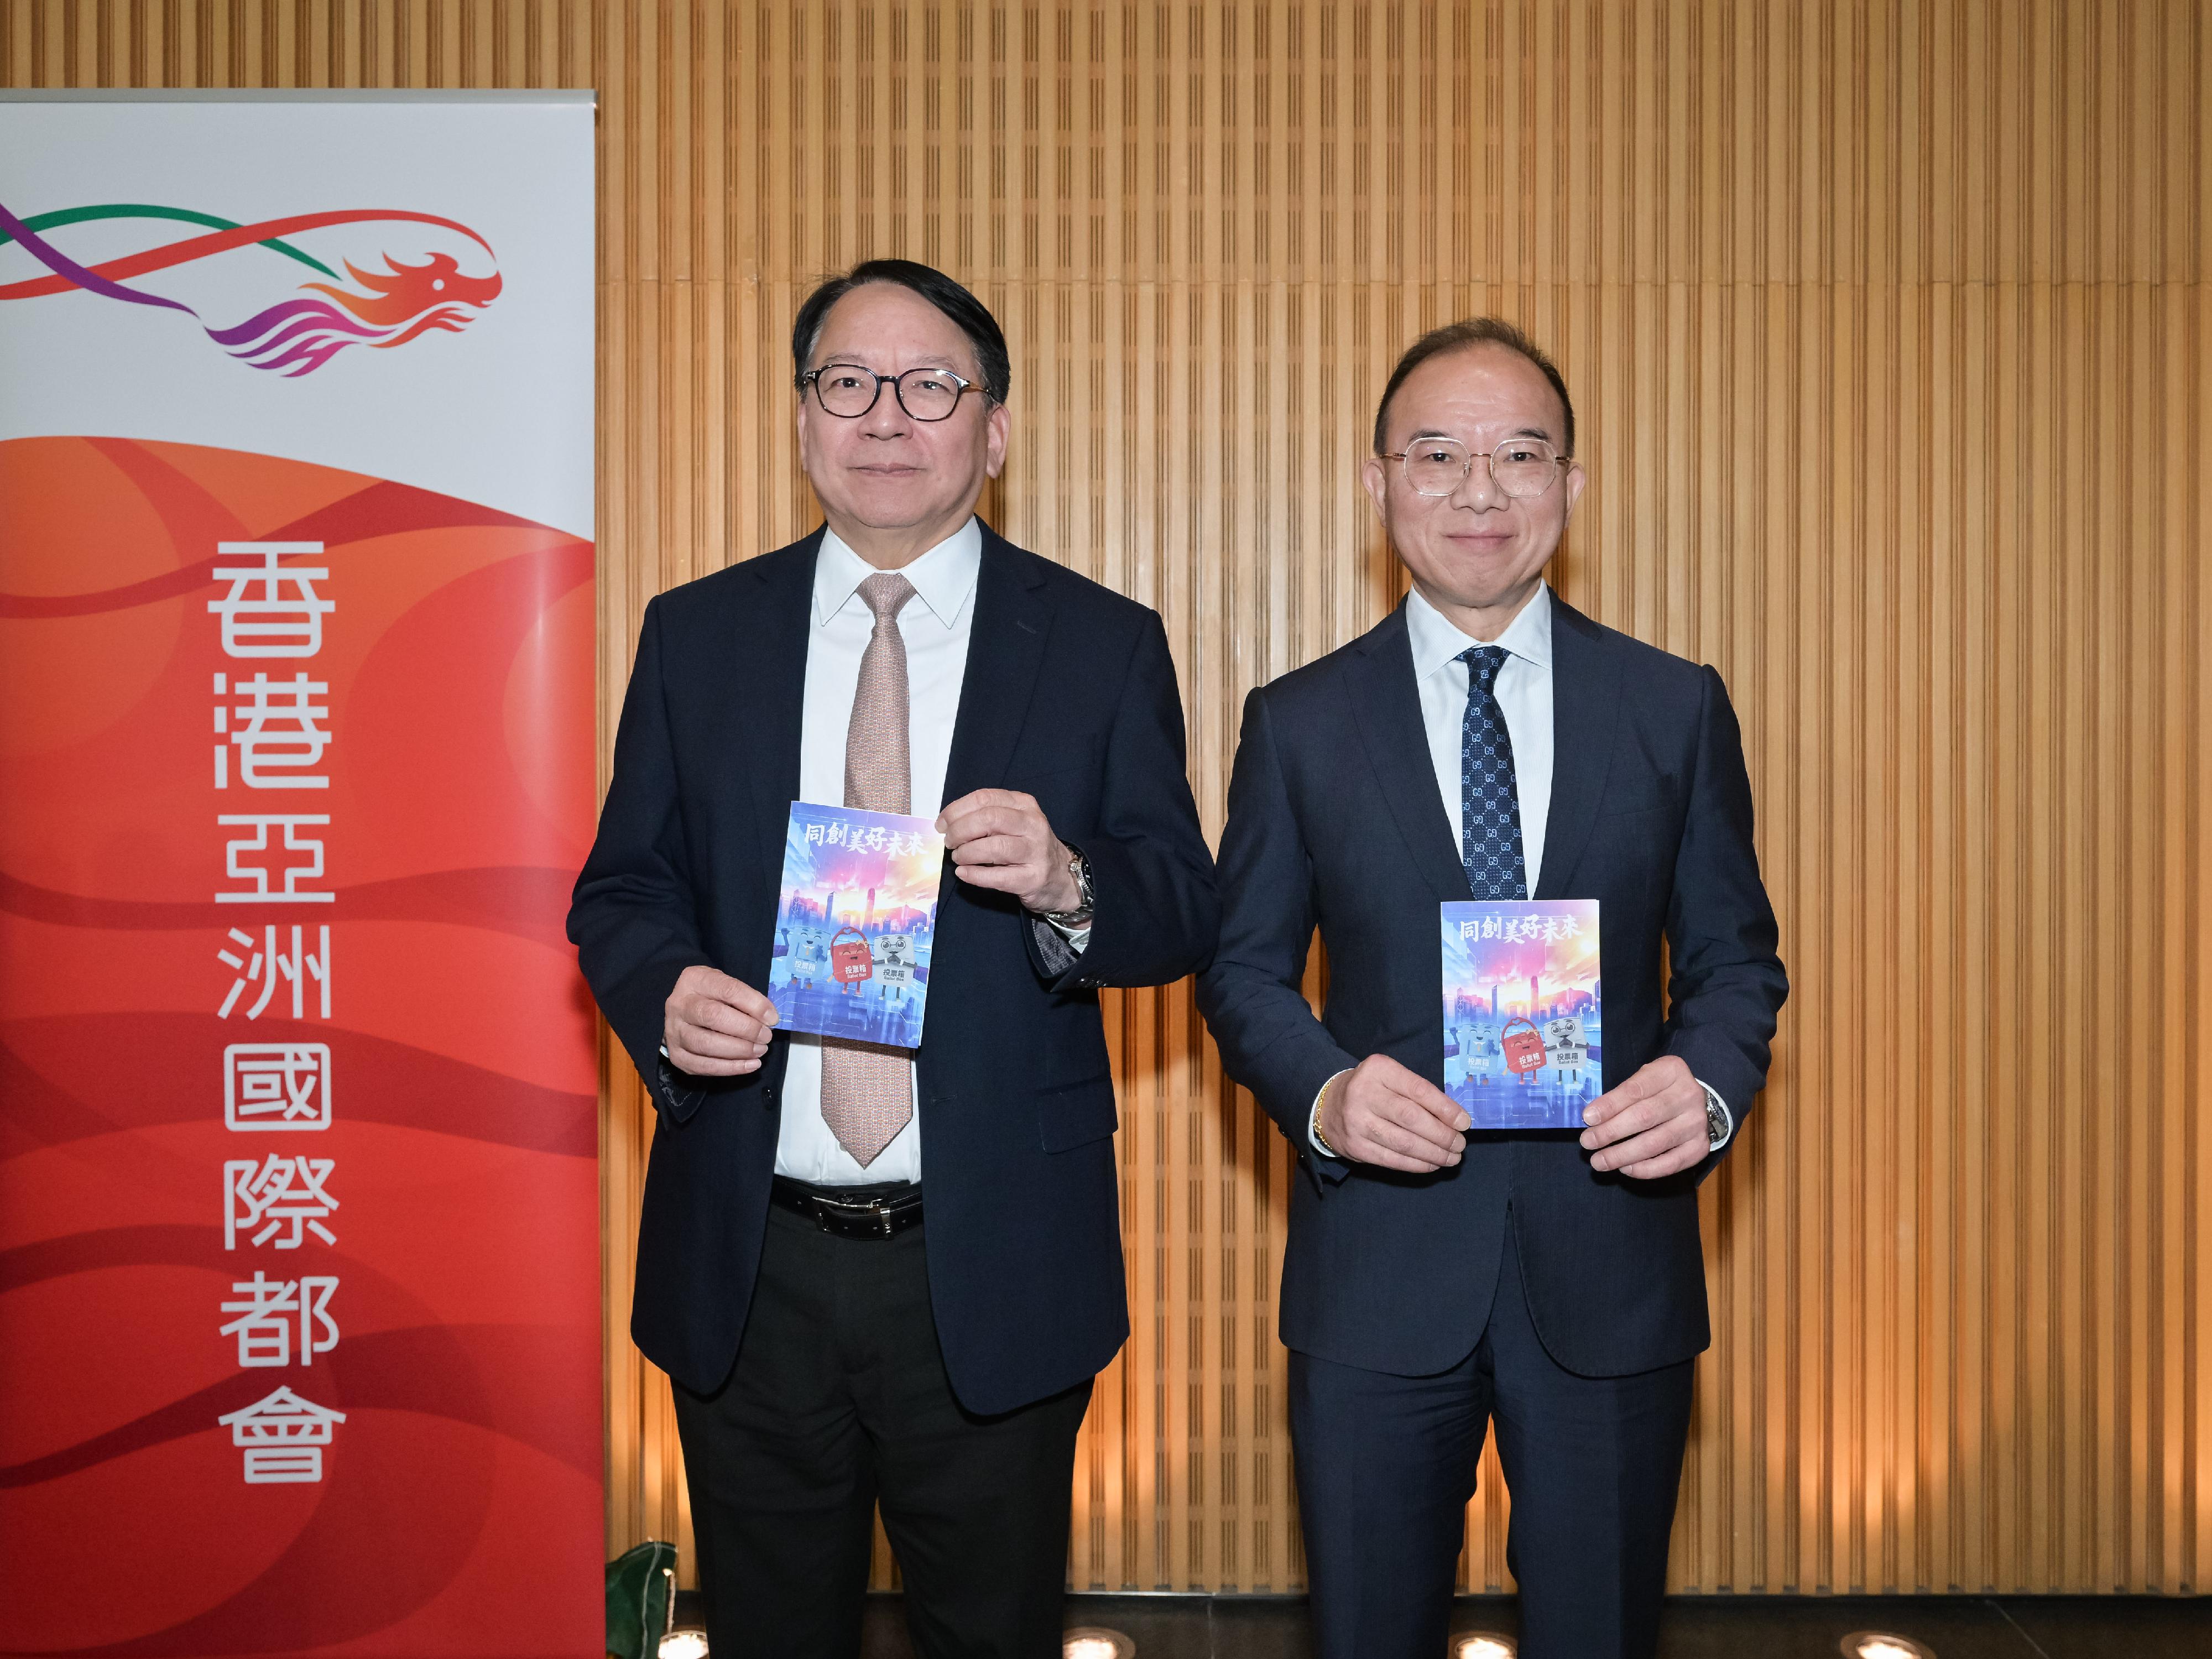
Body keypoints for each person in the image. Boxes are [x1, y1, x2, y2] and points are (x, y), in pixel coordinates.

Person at [570, 259, 1218, 1659]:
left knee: (990, 1631)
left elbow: (1180, 907)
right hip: (754, 1250)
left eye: (930, 387)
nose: (884, 418)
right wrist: (665, 995)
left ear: (991, 430)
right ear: (802, 422)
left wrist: (1066, 882)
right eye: (846, 383)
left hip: (989, 1252)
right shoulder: (698, 635)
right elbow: (622, 891)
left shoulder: (1101, 644)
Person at [1196, 318, 1787, 1659]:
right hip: (1376, 1273)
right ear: (1375, 481)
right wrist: (1328, 1092)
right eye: (1437, 454)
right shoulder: (1296, 722)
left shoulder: (1671, 706)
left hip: (1612, 1265)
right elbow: (1239, 974)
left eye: (1519, 455)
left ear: (1570, 487)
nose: (1478, 491)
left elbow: (1734, 962)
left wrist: (1702, 1087)